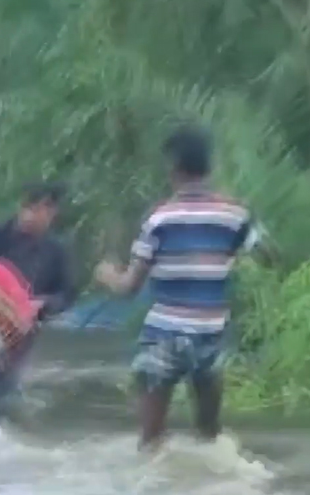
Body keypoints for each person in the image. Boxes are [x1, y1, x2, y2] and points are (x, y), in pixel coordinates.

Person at [94, 124, 271, 452]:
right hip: (210, 337)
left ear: (173, 169)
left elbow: (129, 287)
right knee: (209, 436)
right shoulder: (234, 214)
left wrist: (107, 274)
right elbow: (269, 257)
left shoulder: (159, 219)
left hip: (163, 336)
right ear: (209, 167)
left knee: (151, 442)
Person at [0, 180, 78, 417]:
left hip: (22, 330)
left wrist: (45, 303)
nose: (30, 215)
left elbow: (66, 295)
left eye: (39, 209)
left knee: (4, 396)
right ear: (20, 206)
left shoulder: (55, 252)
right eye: (28, 207)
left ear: (52, 212)